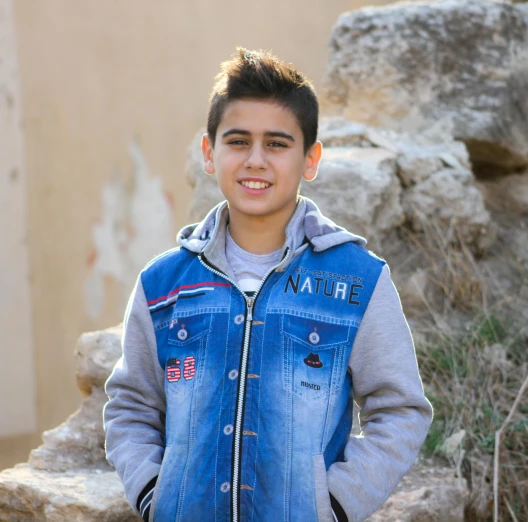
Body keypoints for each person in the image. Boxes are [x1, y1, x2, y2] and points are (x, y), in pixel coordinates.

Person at [103, 47, 433, 522]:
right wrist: (156, 494)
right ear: (208, 153)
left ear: (310, 159)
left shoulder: (357, 280)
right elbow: (131, 406)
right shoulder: (163, 284)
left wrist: (334, 505)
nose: (255, 160)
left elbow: (401, 410)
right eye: (238, 141)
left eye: (277, 144)